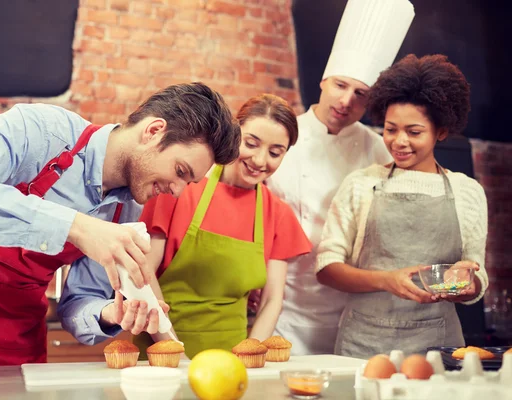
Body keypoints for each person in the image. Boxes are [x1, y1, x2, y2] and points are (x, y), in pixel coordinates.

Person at [0, 82, 241, 367]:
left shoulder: (125, 211)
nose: (178, 190)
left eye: (190, 182)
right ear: (153, 131)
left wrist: (108, 313)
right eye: (181, 171)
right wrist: (77, 227)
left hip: (19, 337)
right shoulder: (42, 132)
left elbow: (76, 303)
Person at [59, 94, 311, 358]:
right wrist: (172, 348)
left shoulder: (278, 214)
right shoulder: (178, 187)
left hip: (232, 358)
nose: (260, 160)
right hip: (161, 351)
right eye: (251, 143)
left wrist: (249, 354)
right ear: (235, 136)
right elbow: (146, 272)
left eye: (275, 152)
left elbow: (272, 299)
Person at [265, 0, 415, 355]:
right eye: (340, 85)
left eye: (361, 93)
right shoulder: (280, 137)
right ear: (323, 81)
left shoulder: (380, 150)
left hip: (353, 307)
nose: (346, 100)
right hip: (282, 304)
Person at [315, 54, 489, 358]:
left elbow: (476, 277)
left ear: (442, 132)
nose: (399, 141)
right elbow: (327, 269)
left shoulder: (467, 192)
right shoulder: (361, 184)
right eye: (390, 129)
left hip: (438, 348)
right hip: (363, 346)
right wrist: (386, 280)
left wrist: (466, 282)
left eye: (414, 131)